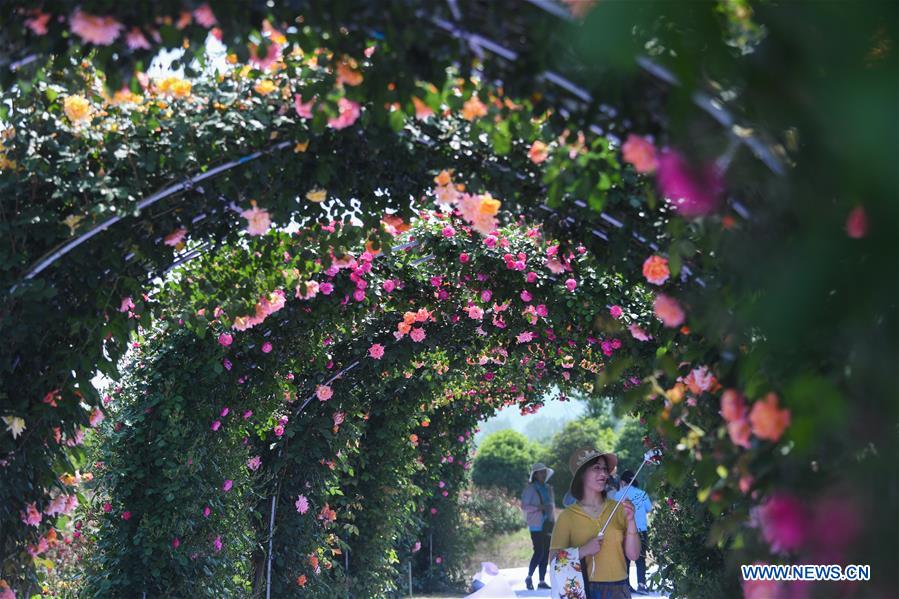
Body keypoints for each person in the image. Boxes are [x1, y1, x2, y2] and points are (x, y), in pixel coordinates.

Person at [549, 446, 640, 599]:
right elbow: (553, 560)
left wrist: (631, 521)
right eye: (596, 468)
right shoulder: (567, 517)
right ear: (581, 474)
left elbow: (634, 555)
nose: (604, 474)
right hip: (584, 591)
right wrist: (582, 551)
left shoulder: (618, 508)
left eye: (605, 469)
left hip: (620, 590)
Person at [611, 470, 653, 595]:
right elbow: (649, 508)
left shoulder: (617, 495)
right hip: (640, 530)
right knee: (641, 559)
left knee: (625, 559)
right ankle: (641, 585)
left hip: (624, 531)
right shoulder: (642, 493)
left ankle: (626, 585)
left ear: (623, 482)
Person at [521, 462, 556, 590]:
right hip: (536, 525)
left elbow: (551, 506)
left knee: (546, 551)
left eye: (544, 472)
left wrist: (553, 521)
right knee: (539, 551)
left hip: (548, 524)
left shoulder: (548, 488)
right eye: (541, 472)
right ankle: (529, 577)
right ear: (535, 475)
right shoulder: (530, 489)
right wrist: (538, 508)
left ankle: (541, 581)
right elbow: (524, 506)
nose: (543, 474)